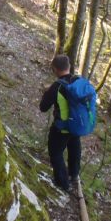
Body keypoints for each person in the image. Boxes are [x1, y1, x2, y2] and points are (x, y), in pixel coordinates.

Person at [39, 54, 81, 194]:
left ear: (55, 69)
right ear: (69, 67)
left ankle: (63, 183)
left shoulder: (56, 87)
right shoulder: (79, 81)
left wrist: (46, 93)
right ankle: (74, 175)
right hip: (77, 125)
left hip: (62, 127)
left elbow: (43, 107)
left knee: (55, 152)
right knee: (74, 146)